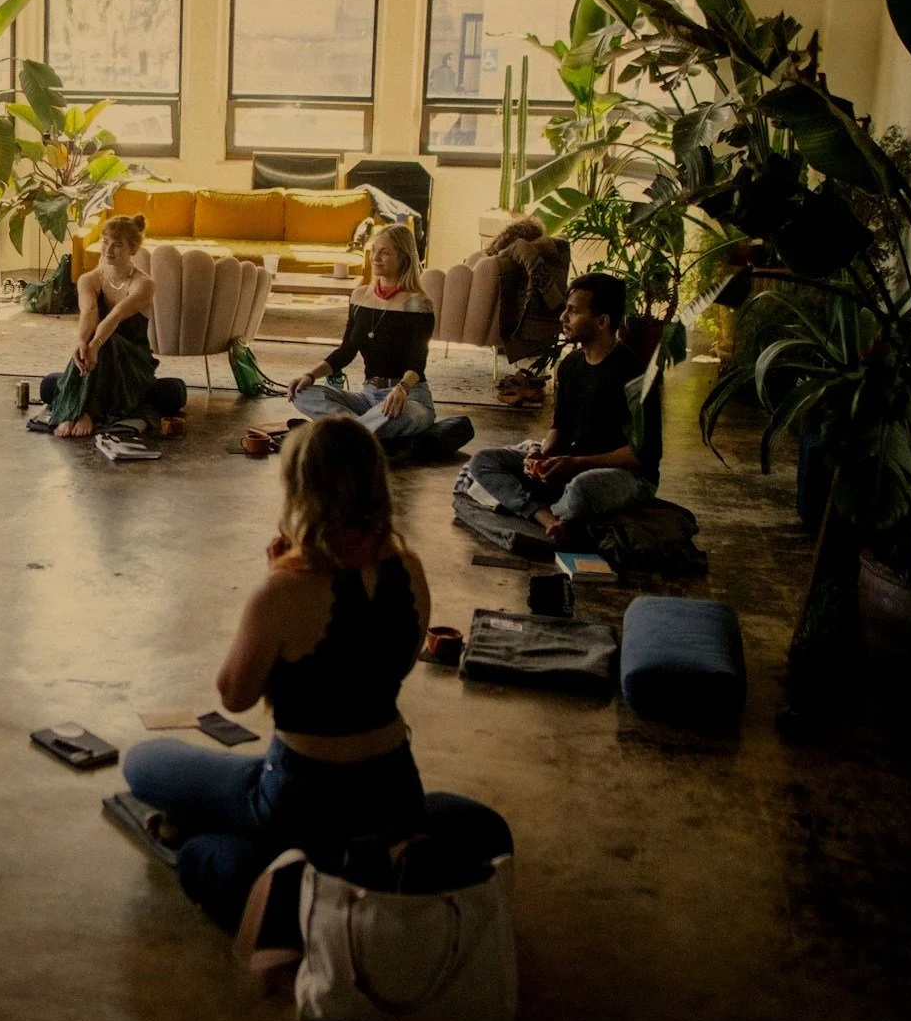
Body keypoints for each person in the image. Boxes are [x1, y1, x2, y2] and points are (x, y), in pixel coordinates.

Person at [121, 416, 511, 930]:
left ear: (302, 493)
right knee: (476, 827)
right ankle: (367, 861)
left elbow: (234, 697)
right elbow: (390, 662)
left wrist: (273, 586)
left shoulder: (282, 592)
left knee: (145, 764)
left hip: (295, 797)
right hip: (393, 788)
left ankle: (277, 872)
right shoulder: (408, 569)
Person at [463, 271, 660, 547]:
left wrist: (576, 464)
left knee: (581, 489)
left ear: (602, 321)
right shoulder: (570, 365)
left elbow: (643, 455)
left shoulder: (635, 375)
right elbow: (561, 426)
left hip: (626, 477)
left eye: (573, 311)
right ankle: (550, 519)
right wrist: (542, 456)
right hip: (573, 463)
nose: (562, 318)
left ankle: (534, 507)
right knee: (483, 461)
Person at [287, 222, 438, 451]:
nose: (376, 258)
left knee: (405, 415)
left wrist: (402, 389)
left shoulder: (419, 304)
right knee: (301, 394)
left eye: (385, 253)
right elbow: (346, 351)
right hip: (367, 398)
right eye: (374, 251)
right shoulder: (359, 297)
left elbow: (417, 364)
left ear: (404, 258)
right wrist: (310, 375)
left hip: (408, 398)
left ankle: (335, 432)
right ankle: (359, 433)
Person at [49, 213, 160, 439]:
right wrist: (82, 343)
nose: (108, 250)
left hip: (131, 361)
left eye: (117, 245)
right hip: (96, 358)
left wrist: (96, 344)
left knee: (108, 340)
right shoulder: (89, 279)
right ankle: (80, 408)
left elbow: (116, 316)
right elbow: (89, 312)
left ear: (133, 250)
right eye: (105, 243)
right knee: (48, 383)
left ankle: (84, 411)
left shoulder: (144, 283)